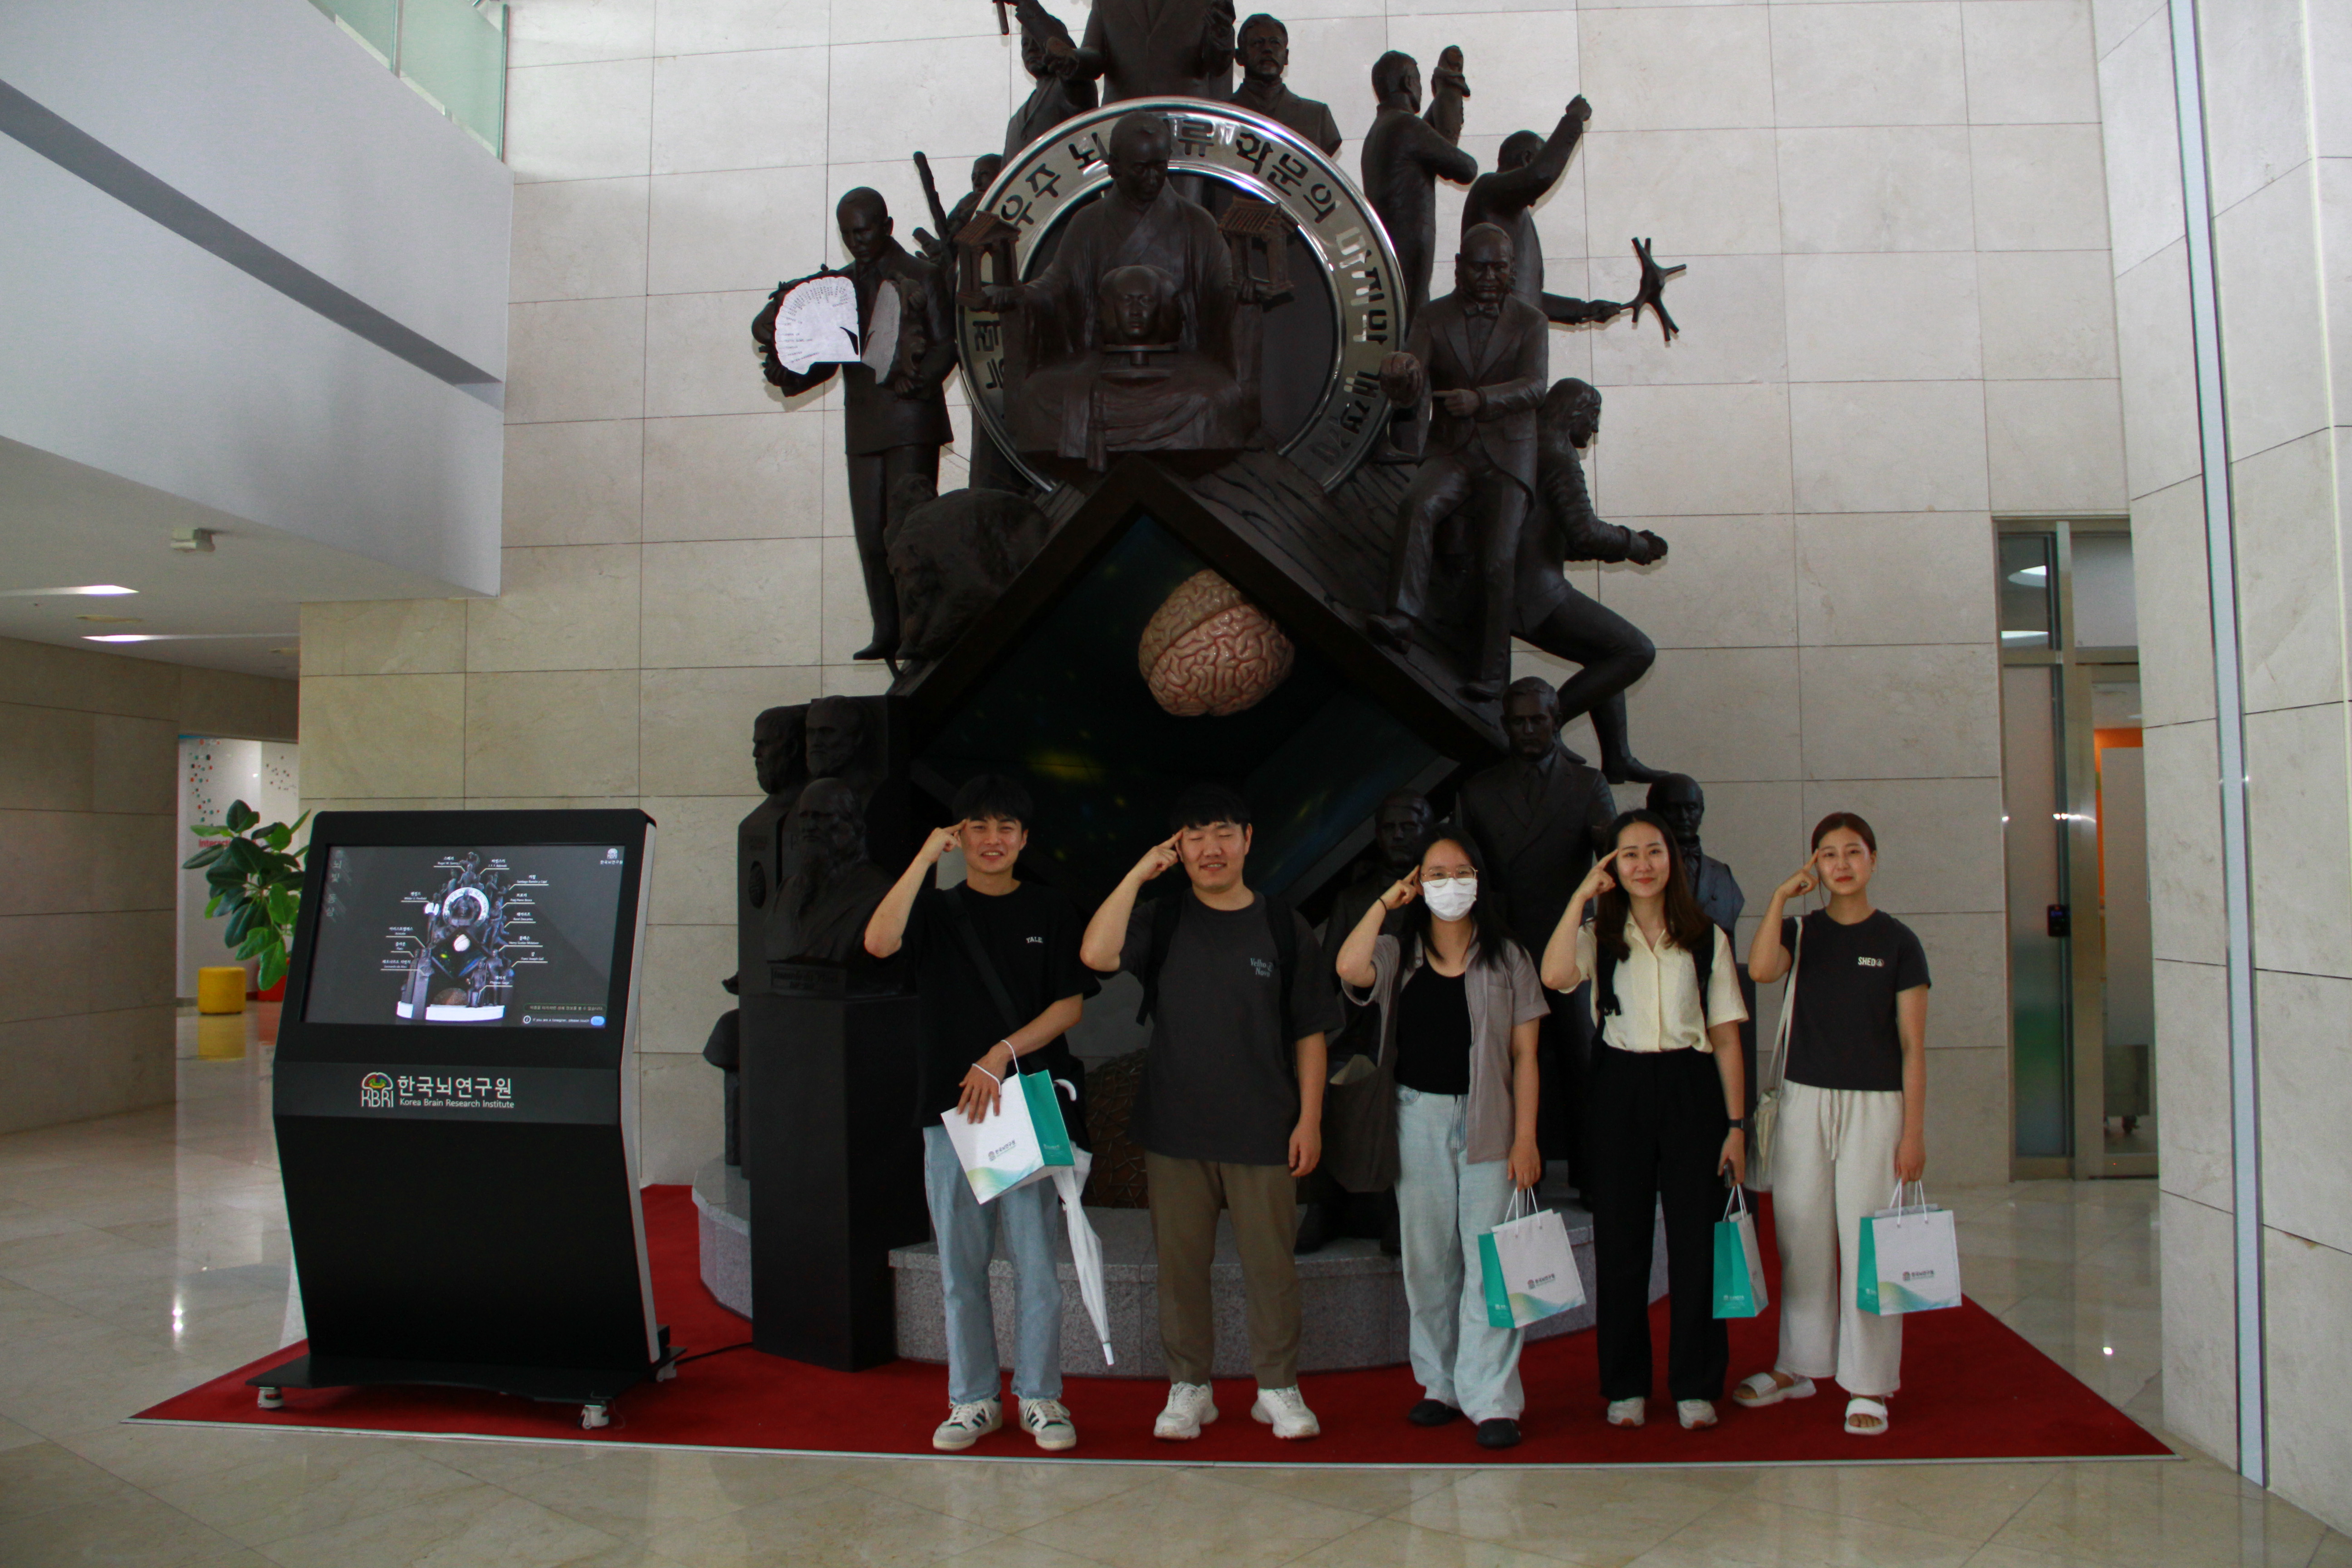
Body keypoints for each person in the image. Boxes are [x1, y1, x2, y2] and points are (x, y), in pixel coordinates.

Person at [1079, 784, 1341, 1441]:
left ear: (1249, 840)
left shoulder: (1284, 926)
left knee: (1271, 1268)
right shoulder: (1163, 920)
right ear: (1178, 847)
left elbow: (1312, 1031)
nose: (1210, 849)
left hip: (1264, 1128)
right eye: (1194, 837)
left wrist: (1310, 1119)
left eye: (1224, 833)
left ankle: (1278, 1388)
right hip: (1175, 1129)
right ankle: (1189, 1388)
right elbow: (1097, 955)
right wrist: (1141, 875)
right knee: (1181, 1269)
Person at [863, 774, 1101, 1453]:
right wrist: (921, 862)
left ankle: (1040, 1396)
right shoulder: (935, 912)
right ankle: (971, 1400)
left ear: (1024, 839)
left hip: (1023, 1106)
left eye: (1006, 829)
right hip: (949, 1116)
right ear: (958, 836)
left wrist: (999, 1053)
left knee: (1036, 1266)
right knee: (959, 1270)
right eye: (978, 828)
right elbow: (879, 943)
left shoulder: (1051, 909)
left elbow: (1070, 1006)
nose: (992, 841)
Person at [1334, 829, 1546, 1448]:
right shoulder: (1400, 955)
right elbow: (1348, 968)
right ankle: (1440, 1385)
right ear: (1418, 883)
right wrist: (1385, 904)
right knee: (1429, 1263)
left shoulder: (1508, 957)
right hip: (1415, 1118)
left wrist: (1527, 1137)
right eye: (1435, 873)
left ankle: (1493, 1399)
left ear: (1479, 878)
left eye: (1461, 871)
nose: (1450, 884)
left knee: (1493, 1264)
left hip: (1492, 1124)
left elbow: (1527, 1054)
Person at [1540, 809, 1748, 1431]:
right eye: (1628, 854)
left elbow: (1728, 1037)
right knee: (1621, 1243)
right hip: (1621, 1087)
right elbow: (1554, 975)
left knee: (1694, 1243)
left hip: (1691, 1086)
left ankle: (1695, 1384)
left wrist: (1736, 1126)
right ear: (1612, 866)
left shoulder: (1707, 937)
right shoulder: (1601, 934)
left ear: (1672, 859)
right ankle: (1625, 1386)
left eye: (1653, 851)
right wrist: (1580, 896)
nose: (1643, 865)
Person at [1734, 812, 1930, 1438]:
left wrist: (1914, 1132)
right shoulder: (1804, 931)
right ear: (1813, 866)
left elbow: (1914, 1045)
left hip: (1877, 1107)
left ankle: (1869, 1383)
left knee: (1868, 1245)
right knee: (1801, 1237)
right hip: (1802, 1103)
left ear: (1873, 859)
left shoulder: (1900, 942)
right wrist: (1777, 900)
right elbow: (1761, 971)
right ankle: (1799, 1365)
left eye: (1852, 852)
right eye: (1827, 854)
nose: (1840, 864)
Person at [756, 190, 954, 661]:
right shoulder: (838, 288)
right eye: (848, 233)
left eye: (864, 230)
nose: (857, 240)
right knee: (871, 534)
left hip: (910, 421)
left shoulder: (922, 275)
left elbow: (949, 344)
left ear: (886, 225)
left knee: (908, 532)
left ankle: (920, 628)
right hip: (863, 425)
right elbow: (828, 361)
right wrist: (788, 362)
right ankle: (887, 628)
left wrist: (920, 384)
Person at [1365, 223, 1548, 701]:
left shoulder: (1531, 321)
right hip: (1451, 449)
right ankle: (1403, 618)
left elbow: (1535, 387)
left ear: (1511, 271)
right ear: (1459, 267)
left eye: (1500, 268)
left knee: (1498, 562)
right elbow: (1413, 378)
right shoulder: (1433, 316)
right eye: (1480, 266)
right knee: (1417, 505)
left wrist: (1481, 400)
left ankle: (1491, 673)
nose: (1489, 276)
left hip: (1509, 454)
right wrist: (1398, 375)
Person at [1456, 676, 1614, 1186]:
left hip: (1569, 947)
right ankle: (1517, 1174)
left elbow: (1611, 856)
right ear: (1505, 725)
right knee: (1506, 1062)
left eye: (1538, 720)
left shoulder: (1587, 784)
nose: (1528, 730)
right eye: (1518, 721)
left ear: (1556, 721)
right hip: (1505, 945)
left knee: (1581, 1057)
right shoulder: (1478, 791)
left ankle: (1594, 1174)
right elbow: (1467, 874)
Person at [1460, 99, 1625, 328]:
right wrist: (1574, 119)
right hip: (1490, 335)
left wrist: (1582, 309)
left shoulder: (1519, 215)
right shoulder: (1489, 190)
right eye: (1540, 158)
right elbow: (1541, 175)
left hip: (1515, 337)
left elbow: (1529, 299)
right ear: (1527, 160)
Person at [1360, 49, 1476, 325]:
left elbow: (1424, 142)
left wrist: (1442, 105)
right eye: (1420, 80)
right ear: (1408, 82)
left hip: (1386, 244)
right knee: (1411, 325)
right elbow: (1466, 168)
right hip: (1409, 240)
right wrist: (1446, 104)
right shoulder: (1406, 126)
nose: (1422, 89)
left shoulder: (1380, 130)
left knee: (1392, 322)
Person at [1228, 14, 1342, 156]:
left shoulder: (1317, 116)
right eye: (1258, 43)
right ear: (1240, 57)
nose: (1268, 50)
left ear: (1286, 56)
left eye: (1275, 43)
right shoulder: (1222, 115)